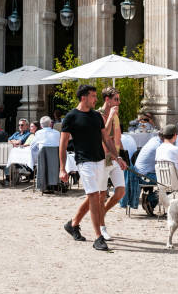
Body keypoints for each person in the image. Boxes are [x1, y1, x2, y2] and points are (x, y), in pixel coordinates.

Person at [59, 85, 126, 251]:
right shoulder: (71, 117)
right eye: (93, 96)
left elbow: (107, 139)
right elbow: (62, 144)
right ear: (84, 97)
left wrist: (117, 157)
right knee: (95, 196)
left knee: (92, 197)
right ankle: (98, 237)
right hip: (84, 161)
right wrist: (62, 168)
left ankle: (73, 224)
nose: (96, 99)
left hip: (100, 160)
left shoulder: (96, 116)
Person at [97, 87, 125, 241]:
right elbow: (104, 135)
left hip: (114, 157)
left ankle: (102, 213)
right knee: (101, 195)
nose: (118, 102)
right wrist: (111, 116)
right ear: (107, 99)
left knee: (120, 191)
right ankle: (101, 227)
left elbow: (117, 136)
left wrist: (118, 155)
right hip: (102, 158)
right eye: (116, 99)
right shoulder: (99, 115)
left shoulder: (115, 115)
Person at [121, 133, 163, 212]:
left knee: (168, 179)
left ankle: (150, 199)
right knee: (169, 182)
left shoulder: (154, 140)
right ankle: (150, 200)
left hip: (138, 173)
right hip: (142, 177)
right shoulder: (159, 146)